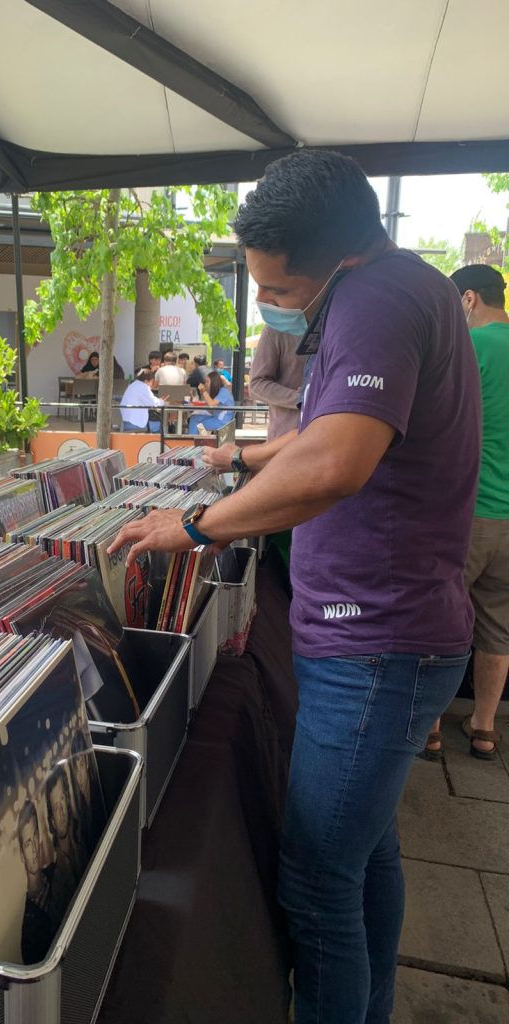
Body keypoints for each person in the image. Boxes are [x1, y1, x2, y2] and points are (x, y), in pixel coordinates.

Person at [108, 150, 480, 1024]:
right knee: (365, 856)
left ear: (336, 258)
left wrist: (193, 526)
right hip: (386, 633)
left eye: (277, 284)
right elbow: (325, 434)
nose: (269, 296)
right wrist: (237, 456)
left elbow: (339, 463)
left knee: (316, 880)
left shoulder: (377, 300)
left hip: (377, 641)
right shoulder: (401, 284)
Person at [423, 264, 509, 761]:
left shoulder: (468, 350)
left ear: (469, 299)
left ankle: (431, 728)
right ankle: (483, 728)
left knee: (441, 619)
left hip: (466, 514)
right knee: (498, 625)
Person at [249, 326, 309, 440]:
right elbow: (256, 384)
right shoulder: (275, 329)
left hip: (329, 433)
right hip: (286, 434)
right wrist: (302, 399)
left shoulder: (334, 324)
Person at [17, 800, 56, 964]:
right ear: (21, 855)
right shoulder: (28, 931)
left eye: (35, 837)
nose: (34, 849)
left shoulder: (57, 871)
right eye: (27, 844)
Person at [45, 765, 84, 929]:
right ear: (52, 820)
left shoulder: (82, 840)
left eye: (62, 799)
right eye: (55, 806)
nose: (61, 810)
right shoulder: (56, 884)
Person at [188, 370, 234, 435]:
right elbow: (211, 408)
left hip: (222, 421)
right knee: (194, 418)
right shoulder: (218, 391)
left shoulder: (224, 391)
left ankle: (194, 442)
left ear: (214, 382)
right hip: (215, 417)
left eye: (207, 382)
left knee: (197, 425)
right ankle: (194, 440)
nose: (205, 384)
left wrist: (204, 391)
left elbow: (211, 405)